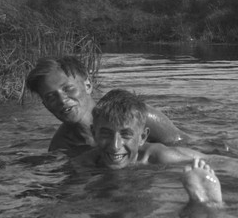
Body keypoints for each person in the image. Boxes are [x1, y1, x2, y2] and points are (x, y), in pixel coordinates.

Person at [73, 89, 223, 208]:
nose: (115, 146)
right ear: (93, 133)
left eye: (126, 135)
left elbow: (219, 160)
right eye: (106, 134)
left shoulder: (161, 156)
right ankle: (205, 205)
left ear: (143, 137)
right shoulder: (82, 164)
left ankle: (208, 203)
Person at [26, 56, 185, 153]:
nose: (62, 100)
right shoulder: (62, 146)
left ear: (88, 85)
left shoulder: (137, 115)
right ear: (45, 104)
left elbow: (189, 145)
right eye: (51, 96)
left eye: (68, 89)